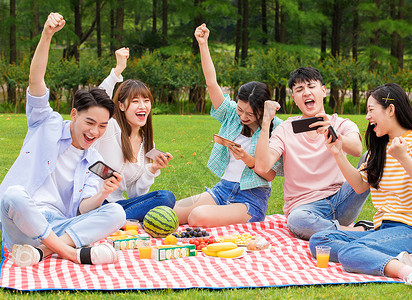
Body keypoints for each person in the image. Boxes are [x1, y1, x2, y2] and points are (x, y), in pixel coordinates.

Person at [0, 13, 126, 267]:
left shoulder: (94, 160)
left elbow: (82, 210)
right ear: (73, 114)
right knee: (12, 194)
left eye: (102, 126)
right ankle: (70, 254)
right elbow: (36, 80)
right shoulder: (45, 123)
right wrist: (47, 35)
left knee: (117, 212)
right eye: (90, 123)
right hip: (22, 222)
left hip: (60, 225)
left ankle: (43, 252)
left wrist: (103, 193)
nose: (95, 132)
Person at [309, 83, 412, 291]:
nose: (367, 117)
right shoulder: (379, 148)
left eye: (371, 110)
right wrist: (337, 152)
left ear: (390, 110)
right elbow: (360, 186)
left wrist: (404, 158)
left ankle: (409, 273)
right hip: (383, 229)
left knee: (349, 253)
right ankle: (395, 258)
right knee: (320, 241)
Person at [173, 24, 284, 227]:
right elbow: (212, 83)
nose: (242, 116)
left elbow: (270, 174)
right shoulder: (232, 114)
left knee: (198, 217)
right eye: (240, 110)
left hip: (251, 198)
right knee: (172, 212)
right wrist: (203, 44)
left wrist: (246, 158)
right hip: (222, 189)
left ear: (262, 110)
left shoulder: (276, 127)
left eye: (250, 114)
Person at [254, 67, 370, 240]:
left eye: (311, 86)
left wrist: (333, 133)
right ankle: (359, 232)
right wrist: (265, 122)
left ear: (323, 91)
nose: (306, 92)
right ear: (294, 99)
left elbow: (356, 149)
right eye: (299, 90)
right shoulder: (284, 130)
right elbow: (262, 166)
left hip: (342, 200)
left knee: (372, 157)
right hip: (305, 209)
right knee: (297, 220)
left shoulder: (341, 123)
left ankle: (336, 230)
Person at [95, 48, 175, 222]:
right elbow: (97, 100)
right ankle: (110, 222)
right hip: (95, 202)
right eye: (135, 101)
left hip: (118, 206)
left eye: (146, 101)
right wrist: (117, 70)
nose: (143, 106)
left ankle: (114, 223)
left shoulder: (147, 143)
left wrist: (152, 170)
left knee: (166, 197)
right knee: (110, 212)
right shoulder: (110, 128)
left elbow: (134, 193)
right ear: (121, 106)